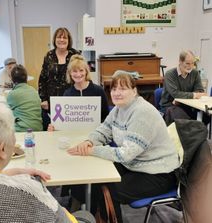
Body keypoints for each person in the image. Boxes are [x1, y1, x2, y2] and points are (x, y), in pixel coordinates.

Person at [67, 73, 180, 222]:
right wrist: (89, 141)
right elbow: (103, 130)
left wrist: (93, 150)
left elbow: (125, 154)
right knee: (94, 177)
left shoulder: (142, 112)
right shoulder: (118, 109)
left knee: (108, 190)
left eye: (123, 88)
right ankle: (89, 217)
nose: (117, 93)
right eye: (114, 89)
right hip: (135, 165)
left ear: (134, 91)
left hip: (159, 173)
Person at [38, 27, 80, 130]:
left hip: (72, 98)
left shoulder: (75, 55)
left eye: (64, 37)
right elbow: (42, 78)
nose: (61, 40)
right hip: (52, 99)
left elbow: (82, 74)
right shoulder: (49, 56)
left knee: (71, 128)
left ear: (69, 40)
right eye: (59, 37)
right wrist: (43, 99)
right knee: (54, 129)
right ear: (54, 39)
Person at [160, 50, 207, 120]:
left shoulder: (195, 73)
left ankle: (196, 130)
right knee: (183, 119)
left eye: (193, 63)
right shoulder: (170, 74)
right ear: (180, 61)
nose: (190, 66)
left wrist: (183, 97)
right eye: (187, 63)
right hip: (170, 106)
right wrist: (194, 95)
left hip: (188, 105)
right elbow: (175, 94)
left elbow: (200, 91)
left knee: (206, 116)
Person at [7, 64, 43, 132]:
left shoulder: (12, 94)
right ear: (26, 78)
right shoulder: (33, 90)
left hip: (23, 130)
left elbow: (7, 113)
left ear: (11, 79)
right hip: (39, 128)